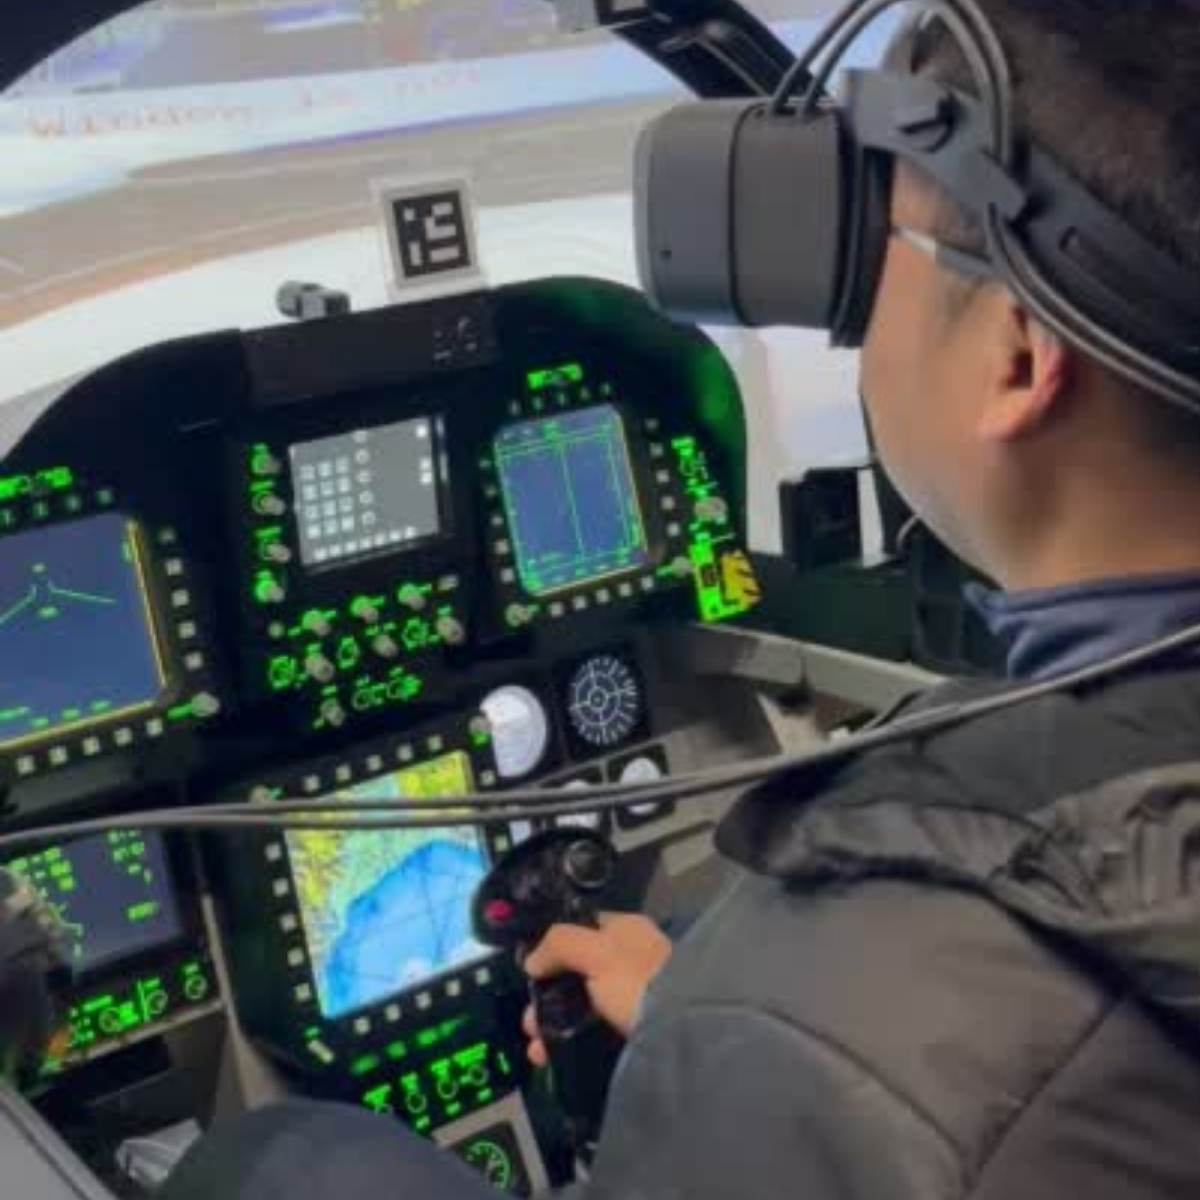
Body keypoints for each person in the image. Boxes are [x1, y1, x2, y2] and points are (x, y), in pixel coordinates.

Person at [167, 3, 1200, 1196]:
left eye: (883, 257)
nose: (858, 318)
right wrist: (700, 1018)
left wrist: (732, 1048)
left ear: (1017, 357)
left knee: (282, 1157)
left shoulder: (853, 995)